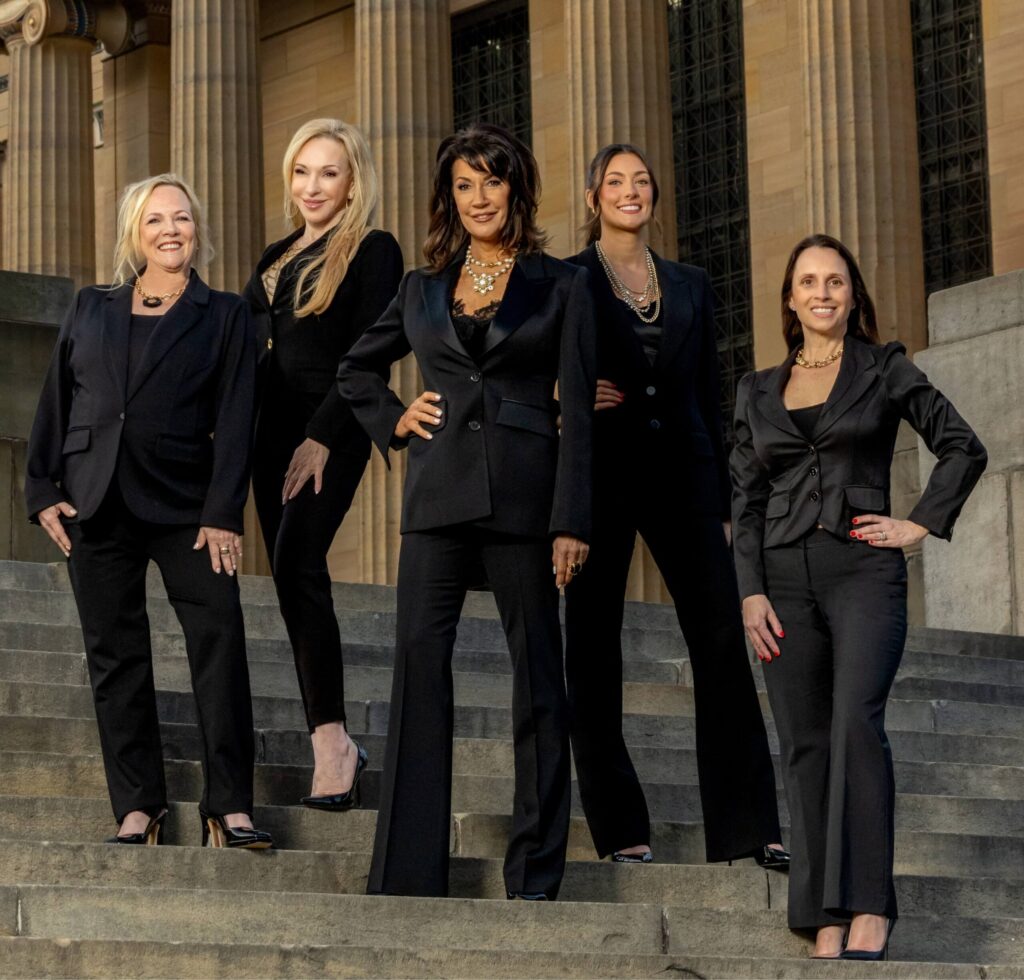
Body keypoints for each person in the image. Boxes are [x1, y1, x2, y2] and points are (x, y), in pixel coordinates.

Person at [338, 123, 595, 900]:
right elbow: (355, 368)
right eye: (463, 185)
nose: (478, 197)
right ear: (448, 197)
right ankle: (410, 872)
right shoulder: (421, 286)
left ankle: (536, 872)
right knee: (420, 668)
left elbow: (579, 411)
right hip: (438, 497)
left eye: (491, 180)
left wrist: (571, 518)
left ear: (515, 186)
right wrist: (393, 417)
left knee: (539, 683)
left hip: (526, 499)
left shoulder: (563, 285)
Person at [731, 233, 986, 959]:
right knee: (805, 744)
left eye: (835, 282)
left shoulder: (885, 369)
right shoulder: (756, 391)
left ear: (852, 294)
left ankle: (870, 904)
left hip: (863, 575)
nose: (821, 293)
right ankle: (822, 914)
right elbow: (744, 503)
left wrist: (919, 522)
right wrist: (749, 594)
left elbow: (963, 444)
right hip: (782, 582)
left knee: (854, 728)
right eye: (807, 281)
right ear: (789, 298)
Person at [24, 174, 272, 850]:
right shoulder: (90, 306)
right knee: (115, 656)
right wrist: (43, 489)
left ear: (197, 230)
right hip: (96, 501)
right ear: (135, 231)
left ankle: (231, 806)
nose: (170, 230)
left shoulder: (224, 315)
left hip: (188, 508)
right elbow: (57, 402)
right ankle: (139, 807)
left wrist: (224, 511)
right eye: (156, 219)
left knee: (218, 646)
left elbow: (238, 417)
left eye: (182, 218)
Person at [563, 143, 786, 869]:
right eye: (617, 182)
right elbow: (524, 362)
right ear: (594, 195)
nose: (632, 191)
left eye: (642, 181)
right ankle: (620, 829)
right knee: (593, 647)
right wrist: (559, 396)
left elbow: (710, 392)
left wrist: (723, 495)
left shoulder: (689, 282)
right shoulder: (566, 279)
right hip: (600, 475)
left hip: (686, 477)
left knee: (721, 639)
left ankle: (750, 830)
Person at [243, 119, 403, 809]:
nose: (313, 186)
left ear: (353, 180)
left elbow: (370, 352)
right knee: (287, 569)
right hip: (265, 435)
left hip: (328, 430)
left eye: (328, 172)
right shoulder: (274, 255)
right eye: (302, 171)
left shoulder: (372, 250)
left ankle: (332, 742)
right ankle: (331, 737)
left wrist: (322, 436)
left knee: (300, 558)